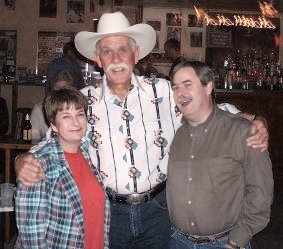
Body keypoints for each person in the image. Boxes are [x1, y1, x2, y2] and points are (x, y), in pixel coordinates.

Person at [15, 12, 268, 249]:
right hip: (110, 212)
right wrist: (22, 160)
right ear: (97, 59)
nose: (116, 58)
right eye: (107, 51)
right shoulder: (82, 103)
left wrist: (255, 120)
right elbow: (50, 144)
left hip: (159, 210)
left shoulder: (163, 92)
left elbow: (210, 109)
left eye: (123, 49)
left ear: (135, 53)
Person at [167, 60, 273, 249]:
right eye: (175, 87)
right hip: (178, 241)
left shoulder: (243, 132)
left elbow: (260, 192)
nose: (180, 93)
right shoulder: (175, 132)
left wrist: (236, 242)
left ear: (208, 86)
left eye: (187, 85)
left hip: (224, 243)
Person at [14, 87, 110, 249]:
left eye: (80, 114)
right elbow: (32, 233)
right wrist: (21, 158)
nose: (75, 122)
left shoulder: (89, 153)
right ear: (54, 126)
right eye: (66, 116)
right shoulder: (39, 163)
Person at [31, 70, 74, 140]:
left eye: (65, 90)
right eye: (58, 89)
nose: (61, 93)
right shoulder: (39, 109)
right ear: (52, 90)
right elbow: (34, 139)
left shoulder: (78, 110)